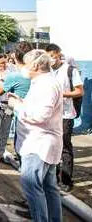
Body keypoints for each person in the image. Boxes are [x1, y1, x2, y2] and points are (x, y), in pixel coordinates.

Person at [8, 50, 63, 222]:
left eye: (25, 63)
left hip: (38, 145)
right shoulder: (40, 82)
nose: (22, 67)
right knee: (48, 188)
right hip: (41, 143)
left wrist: (17, 105)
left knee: (32, 186)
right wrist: (21, 101)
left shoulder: (46, 85)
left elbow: (40, 116)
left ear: (36, 65)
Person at [46, 43, 84, 192]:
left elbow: (79, 92)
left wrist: (61, 94)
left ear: (58, 54)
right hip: (50, 114)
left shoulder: (70, 70)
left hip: (65, 115)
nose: (50, 60)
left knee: (64, 147)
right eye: (48, 57)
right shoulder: (47, 71)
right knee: (51, 146)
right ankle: (52, 178)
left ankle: (67, 180)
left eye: (52, 56)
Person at [0, 54, 13, 163]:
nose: (4, 65)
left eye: (5, 62)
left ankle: (1, 153)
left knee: (5, 132)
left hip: (9, 106)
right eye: (1, 63)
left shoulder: (11, 74)